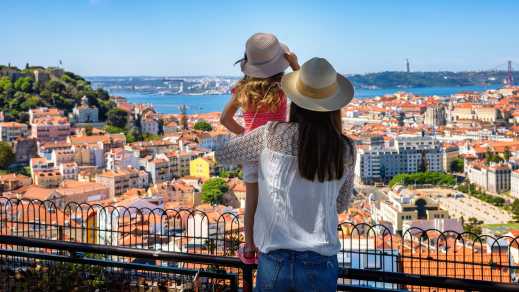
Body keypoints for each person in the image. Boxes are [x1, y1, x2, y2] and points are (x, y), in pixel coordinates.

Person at [216, 57, 356, 291]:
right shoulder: (345, 148)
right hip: (320, 263)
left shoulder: (272, 134)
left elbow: (223, 154)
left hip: (275, 261)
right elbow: (340, 204)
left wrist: (255, 154)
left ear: (296, 101)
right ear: (334, 106)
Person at [220, 32, 299, 263]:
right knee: (279, 196)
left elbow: (225, 119)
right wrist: (295, 65)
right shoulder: (283, 86)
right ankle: (282, 241)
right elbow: (307, 91)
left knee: (252, 199)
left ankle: (250, 247)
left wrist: (246, 134)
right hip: (277, 148)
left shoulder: (242, 89)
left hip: (252, 150)